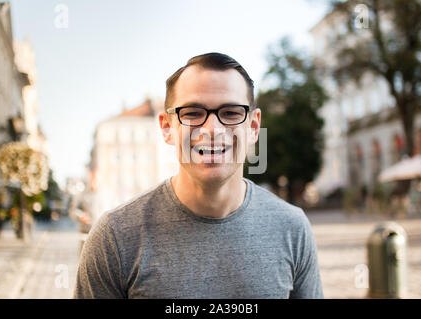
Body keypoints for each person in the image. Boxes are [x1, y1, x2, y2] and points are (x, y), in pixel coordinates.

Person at [74, 52, 323, 299]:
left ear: (254, 127)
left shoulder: (292, 228)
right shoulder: (115, 237)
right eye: (192, 113)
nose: (212, 129)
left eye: (231, 112)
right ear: (167, 127)